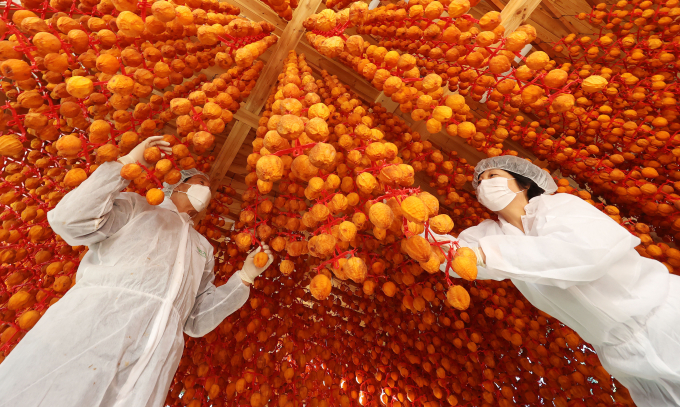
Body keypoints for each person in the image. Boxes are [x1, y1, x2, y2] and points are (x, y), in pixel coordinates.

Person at [0, 136, 273, 407]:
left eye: (209, 187)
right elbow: (70, 221)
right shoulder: (137, 207)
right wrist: (127, 164)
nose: (206, 190)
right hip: (93, 325)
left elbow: (197, 320)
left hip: (153, 360)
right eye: (200, 182)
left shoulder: (202, 248)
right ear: (177, 183)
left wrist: (244, 279)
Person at [428, 155, 680, 407]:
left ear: (524, 184)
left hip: (665, 315)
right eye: (479, 182)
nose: (484, 185)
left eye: (492, 176)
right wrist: (408, 223)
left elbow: (586, 254)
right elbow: (452, 255)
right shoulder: (491, 233)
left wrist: (487, 254)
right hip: (621, 354)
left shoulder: (559, 206)